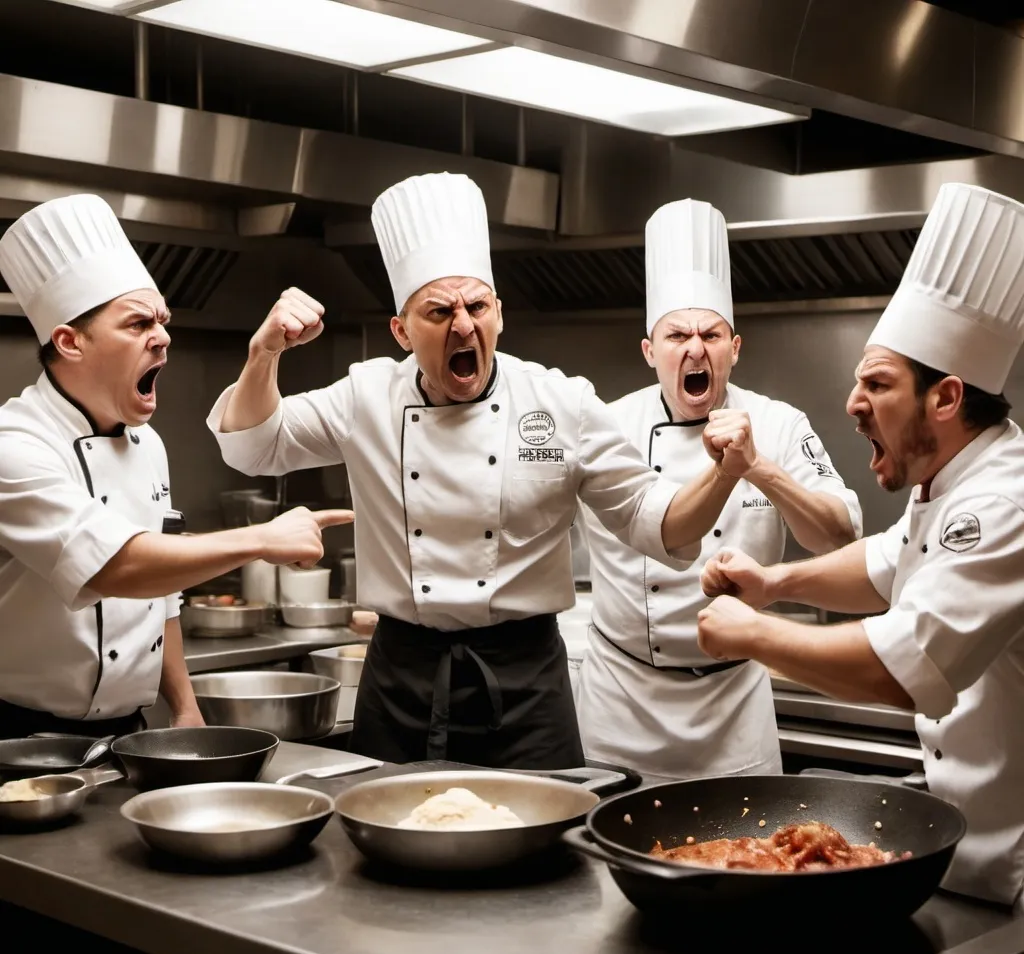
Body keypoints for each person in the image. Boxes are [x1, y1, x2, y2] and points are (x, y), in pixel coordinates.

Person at [207, 172, 750, 770]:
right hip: (402, 677)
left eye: (476, 306)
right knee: (391, 845)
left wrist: (723, 475)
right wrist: (265, 355)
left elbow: (664, 527)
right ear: (401, 331)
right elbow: (252, 445)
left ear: (499, 315)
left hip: (526, 685)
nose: (462, 325)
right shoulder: (366, 397)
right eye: (439, 311)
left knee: (544, 850)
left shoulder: (559, 402)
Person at [697, 182, 1024, 907]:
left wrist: (754, 632)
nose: (852, 404)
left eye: (876, 384)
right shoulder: (953, 476)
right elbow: (885, 564)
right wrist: (775, 581)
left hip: (1017, 871)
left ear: (944, 399)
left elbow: (902, 670)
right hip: (969, 856)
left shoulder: (1004, 503)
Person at [0, 194, 352, 740]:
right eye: (138, 323)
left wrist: (183, 706)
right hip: (18, 737)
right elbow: (115, 567)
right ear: (70, 342)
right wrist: (261, 538)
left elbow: (161, 588)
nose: (163, 336)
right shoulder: (15, 446)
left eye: (161, 319)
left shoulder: (148, 444)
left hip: (127, 735)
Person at [575, 199, 862, 779]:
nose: (695, 348)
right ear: (649, 352)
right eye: (677, 334)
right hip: (619, 705)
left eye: (710, 333)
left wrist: (760, 467)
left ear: (735, 348)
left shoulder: (778, 423)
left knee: (749, 860)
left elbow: (839, 537)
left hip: (734, 709)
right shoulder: (606, 425)